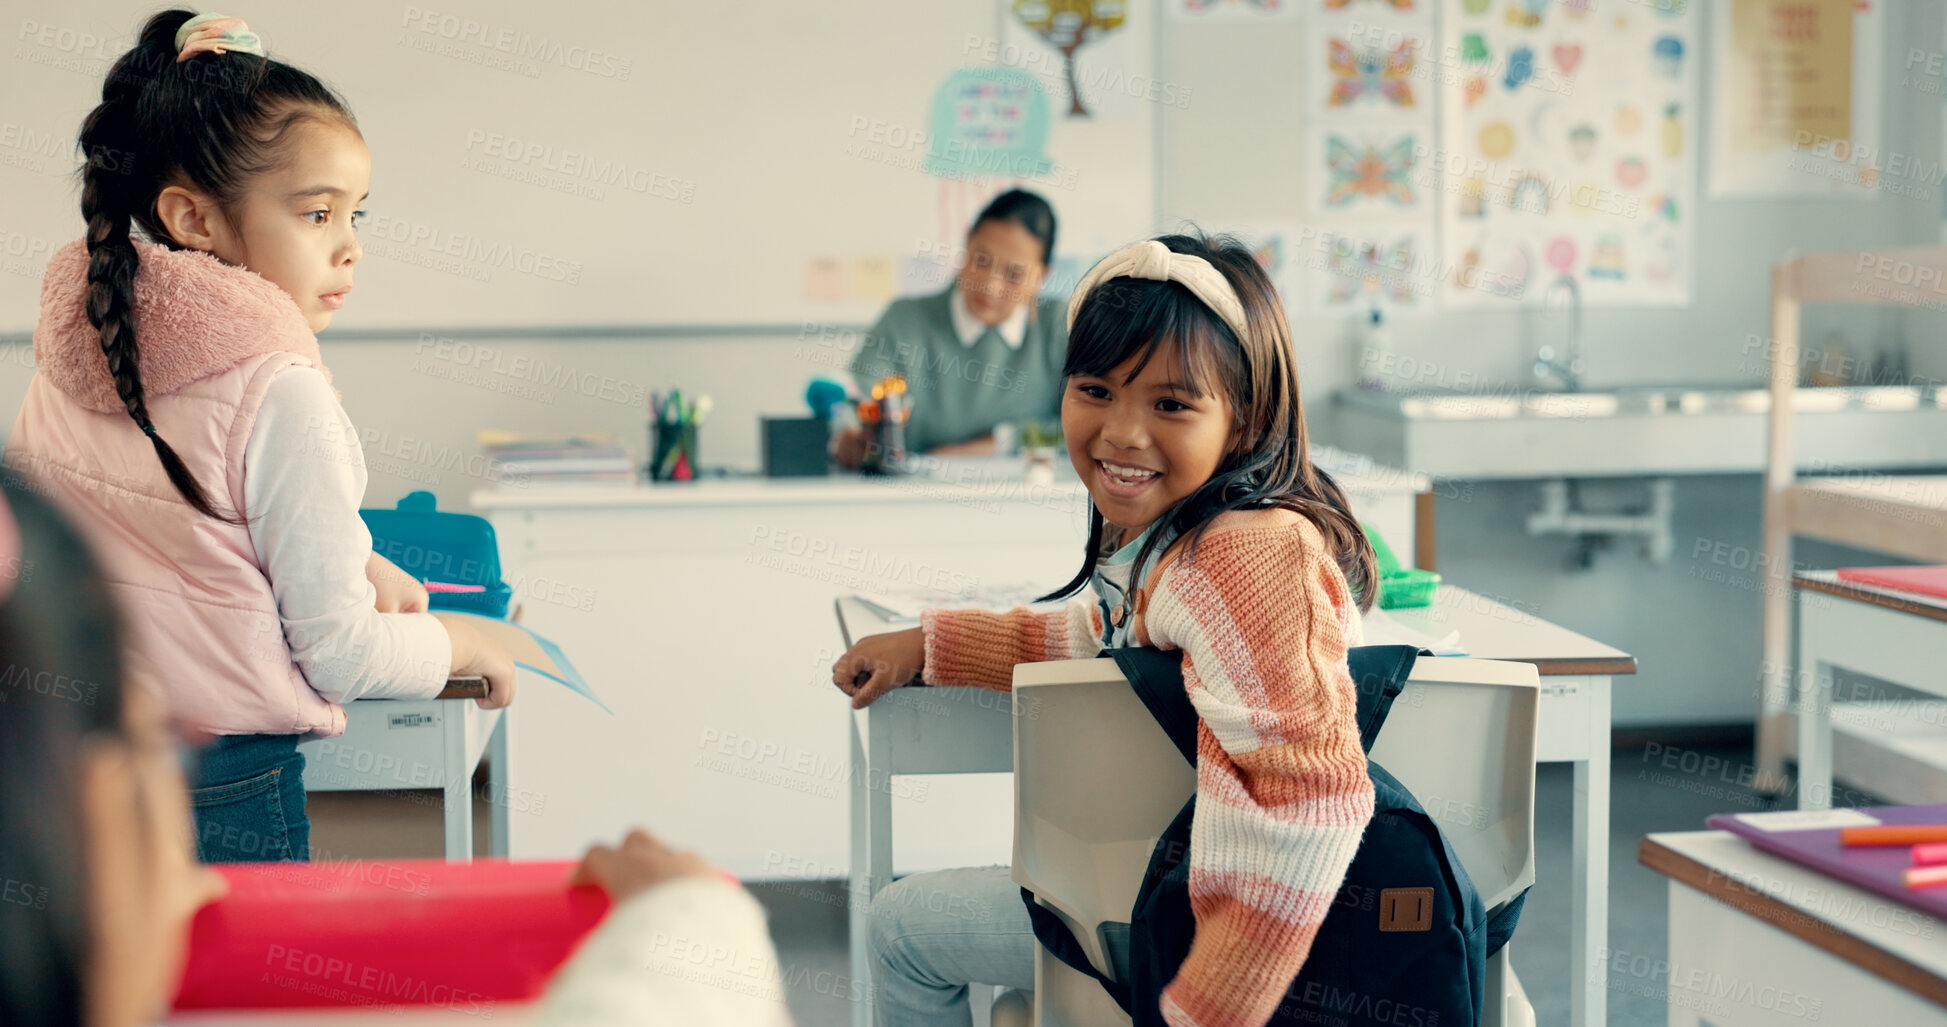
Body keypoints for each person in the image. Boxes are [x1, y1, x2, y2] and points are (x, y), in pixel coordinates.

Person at [0, 473, 789, 1026]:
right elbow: (342, 648)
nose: (195, 730)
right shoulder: (284, 386)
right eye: (155, 744)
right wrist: (690, 917)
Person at [831, 233, 1381, 1027]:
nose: (1121, 432)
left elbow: (1309, 804)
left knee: (899, 931)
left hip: (1215, 938)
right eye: (1095, 389)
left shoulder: (1248, 553)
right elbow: (1095, 637)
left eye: (1170, 403)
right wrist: (933, 643)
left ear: (1246, 414)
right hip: (1171, 892)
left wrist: (1202, 1012)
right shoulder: (1188, 538)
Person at [5, 10, 515, 864]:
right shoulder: (282, 391)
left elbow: (170, 534)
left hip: (63, 764)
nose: (349, 249)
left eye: (358, 216)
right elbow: (343, 655)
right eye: (317, 215)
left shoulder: (81, 345)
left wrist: (358, 558)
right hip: (220, 782)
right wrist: (465, 641)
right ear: (193, 219)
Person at [837, 189, 1067, 464]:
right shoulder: (905, 321)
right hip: (912, 500)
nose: (990, 285)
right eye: (981, 260)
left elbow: (1087, 428)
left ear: (1042, 276)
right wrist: (848, 435)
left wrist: (997, 443)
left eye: (1014, 274)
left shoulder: (1059, 326)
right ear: (967, 244)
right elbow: (854, 405)